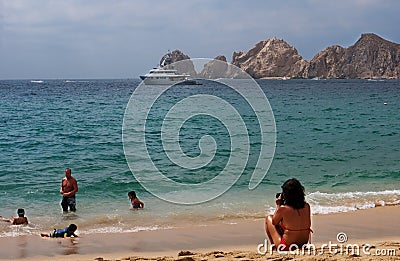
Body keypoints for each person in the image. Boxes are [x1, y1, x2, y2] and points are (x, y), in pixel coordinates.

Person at [265, 178, 312, 251]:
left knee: (269, 218)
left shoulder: (283, 209)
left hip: (286, 246)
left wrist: (278, 205)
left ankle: (274, 248)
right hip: (303, 244)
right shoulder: (307, 206)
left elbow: (274, 222)